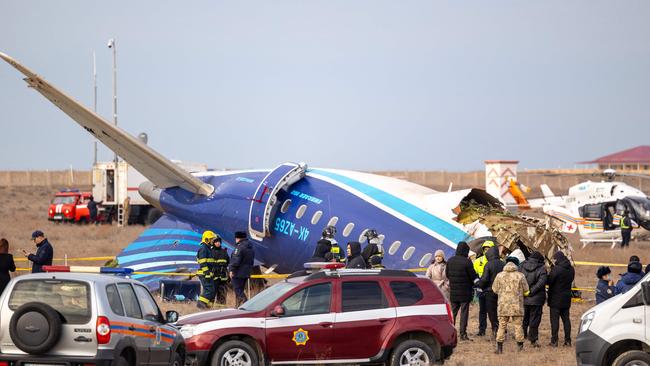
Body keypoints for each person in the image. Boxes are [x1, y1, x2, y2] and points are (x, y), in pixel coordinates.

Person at [492, 260, 530, 354]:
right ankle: (520, 348)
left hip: (503, 306)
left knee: (502, 326)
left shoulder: (499, 275)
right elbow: (526, 290)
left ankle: (499, 349)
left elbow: (495, 289)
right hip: (517, 306)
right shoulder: (520, 275)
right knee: (518, 326)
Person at [445, 241, 477, 341]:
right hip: (465, 292)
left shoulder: (450, 260)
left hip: (454, 292)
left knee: (453, 313)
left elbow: (447, 275)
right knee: (464, 313)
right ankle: (463, 334)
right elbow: (472, 276)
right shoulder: (467, 262)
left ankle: (450, 334)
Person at [547, 250, 575, 347]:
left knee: (554, 321)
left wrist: (549, 272)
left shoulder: (556, 269)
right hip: (566, 298)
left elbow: (550, 281)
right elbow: (571, 280)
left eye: (555, 259)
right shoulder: (571, 269)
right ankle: (568, 341)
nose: (554, 261)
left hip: (555, 298)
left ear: (557, 259)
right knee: (566, 320)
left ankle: (554, 341)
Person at [519, 251, 547, 347]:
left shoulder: (522, 266)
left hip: (524, 297)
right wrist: (531, 291)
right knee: (534, 320)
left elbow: (519, 279)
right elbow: (542, 282)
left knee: (524, 318)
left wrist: (525, 291)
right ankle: (533, 340)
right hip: (537, 299)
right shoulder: (542, 268)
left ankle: (522, 336)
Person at [478, 246, 505, 340]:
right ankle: (503, 330)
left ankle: (495, 330)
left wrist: (478, 285)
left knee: (492, 312)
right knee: (501, 312)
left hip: (490, 292)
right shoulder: (503, 263)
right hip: (502, 292)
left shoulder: (488, 265)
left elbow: (485, 279)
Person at [472, 240, 495, 337]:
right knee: (482, 311)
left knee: (494, 310)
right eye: (485, 249)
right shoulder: (478, 261)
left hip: (492, 290)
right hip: (481, 289)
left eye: (489, 249)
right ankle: (482, 330)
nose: (487, 251)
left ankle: (496, 328)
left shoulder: (497, 262)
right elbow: (474, 274)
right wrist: (477, 283)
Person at [229, 231, 255, 306]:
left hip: (238, 273)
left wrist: (231, 270)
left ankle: (247, 304)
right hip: (246, 272)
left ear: (238, 238)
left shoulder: (239, 247)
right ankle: (238, 307)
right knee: (240, 290)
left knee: (238, 290)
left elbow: (235, 260)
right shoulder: (250, 247)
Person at [196, 231, 218, 309]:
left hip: (208, 273)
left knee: (211, 290)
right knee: (209, 290)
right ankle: (200, 303)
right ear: (207, 240)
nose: (213, 241)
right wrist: (207, 273)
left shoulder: (208, 249)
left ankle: (206, 306)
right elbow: (203, 262)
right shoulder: (203, 249)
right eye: (211, 239)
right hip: (204, 273)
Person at [212, 236, 230, 305]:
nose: (218, 243)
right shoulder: (211, 251)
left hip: (223, 276)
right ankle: (210, 308)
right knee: (213, 293)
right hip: (214, 276)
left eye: (219, 242)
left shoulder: (224, 251)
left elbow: (228, 261)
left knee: (222, 293)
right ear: (213, 243)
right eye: (216, 242)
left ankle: (221, 307)